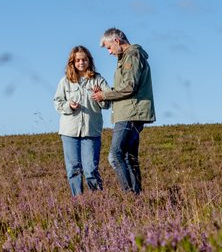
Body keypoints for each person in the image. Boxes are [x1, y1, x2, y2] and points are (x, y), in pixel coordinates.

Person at [91, 27, 154, 194]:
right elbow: (126, 86)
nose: (109, 52)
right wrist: (106, 92)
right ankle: (137, 197)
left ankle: (129, 195)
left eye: (109, 47)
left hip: (130, 113)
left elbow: (129, 87)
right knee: (128, 157)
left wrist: (105, 95)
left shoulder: (131, 56)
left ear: (117, 41)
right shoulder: (128, 56)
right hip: (132, 112)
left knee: (115, 155)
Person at [52, 45, 108, 195]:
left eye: (84, 59)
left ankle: (99, 202)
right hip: (69, 132)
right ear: (72, 62)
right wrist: (68, 105)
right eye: (78, 60)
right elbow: (57, 102)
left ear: (89, 60)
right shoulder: (65, 81)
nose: (81, 63)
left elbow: (107, 103)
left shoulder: (98, 80)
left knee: (90, 170)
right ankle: (79, 203)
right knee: (74, 170)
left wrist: (100, 97)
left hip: (91, 131)